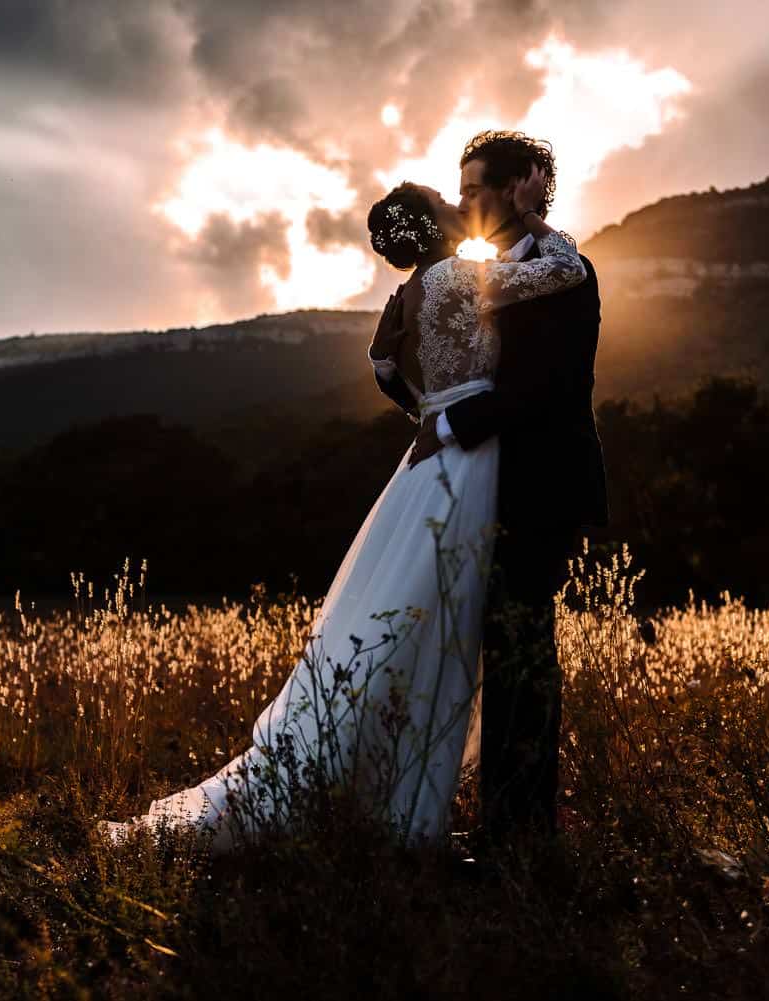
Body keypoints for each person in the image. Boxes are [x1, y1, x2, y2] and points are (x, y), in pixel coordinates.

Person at [100, 158, 589, 852]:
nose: (461, 208)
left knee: (401, 616)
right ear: (437, 225)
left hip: (422, 461)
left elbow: (385, 370)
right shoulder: (466, 278)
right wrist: (540, 219)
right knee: (440, 628)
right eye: (450, 205)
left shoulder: (403, 300)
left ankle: (374, 786)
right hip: (470, 460)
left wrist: (431, 411)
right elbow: (565, 270)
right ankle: (409, 809)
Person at [376, 131, 609, 844]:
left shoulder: (565, 271)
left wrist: (442, 424)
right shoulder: (473, 273)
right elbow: (405, 366)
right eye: (461, 191)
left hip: (536, 485)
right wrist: (434, 416)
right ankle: (440, 812)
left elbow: (547, 386)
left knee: (520, 655)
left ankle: (518, 834)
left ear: (519, 186)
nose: (467, 201)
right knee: (454, 647)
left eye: (477, 188)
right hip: (469, 482)